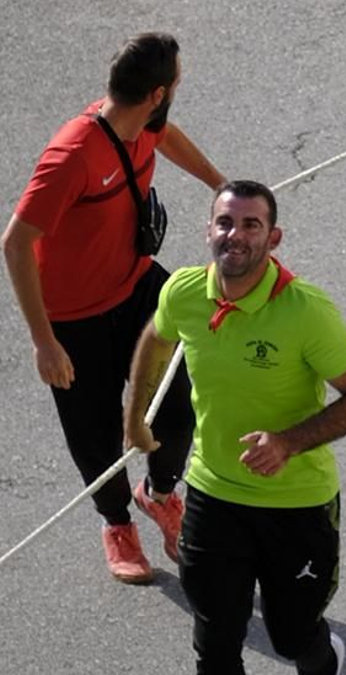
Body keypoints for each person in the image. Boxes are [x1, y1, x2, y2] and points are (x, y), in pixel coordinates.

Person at [125, 181, 346, 675]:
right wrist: (136, 415)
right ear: (208, 229)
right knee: (217, 641)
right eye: (224, 222)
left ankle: (321, 669)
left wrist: (290, 441)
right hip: (214, 498)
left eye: (250, 224)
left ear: (273, 237)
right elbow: (155, 340)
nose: (234, 235)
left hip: (297, 504)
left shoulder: (304, 310)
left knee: (293, 636)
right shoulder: (185, 290)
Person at [4, 32, 222, 587]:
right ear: (156, 92)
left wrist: (220, 186)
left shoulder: (146, 122)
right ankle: (117, 524)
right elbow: (15, 242)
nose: (177, 89)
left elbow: (166, 137)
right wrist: (44, 340)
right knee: (95, 430)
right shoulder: (73, 155)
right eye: (176, 81)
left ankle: (160, 492)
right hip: (74, 317)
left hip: (138, 287)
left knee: (179, 400)